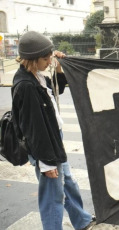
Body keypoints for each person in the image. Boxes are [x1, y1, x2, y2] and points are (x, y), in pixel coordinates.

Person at [12, 31, 96, 230]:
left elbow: (55, 91)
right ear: (32, 59)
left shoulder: (36, 76)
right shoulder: (26, 85)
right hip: (45, 145)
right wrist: (46, 163)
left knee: (69, 184)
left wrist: (59, 68)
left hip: (53, 138)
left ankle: (81, 220)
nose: (49, 60)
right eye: (45, 57)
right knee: (52, 195)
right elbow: (34, 129)